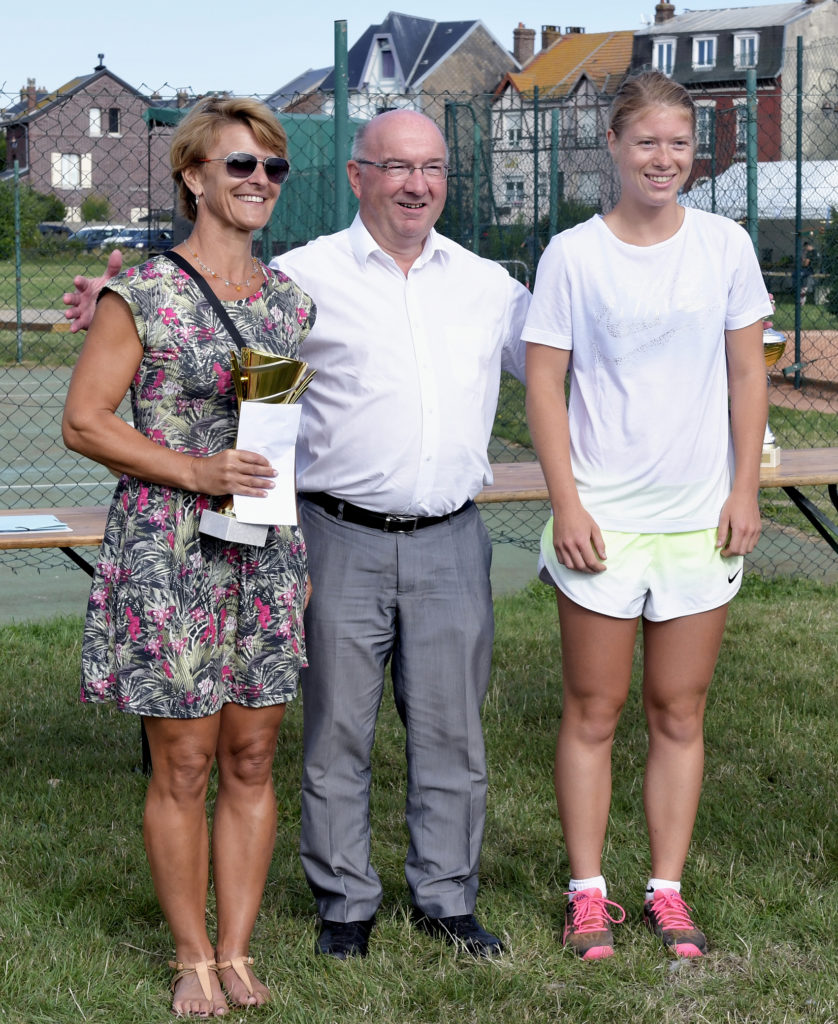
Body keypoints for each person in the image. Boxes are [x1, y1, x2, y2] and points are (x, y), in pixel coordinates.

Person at [64, 108, 530, 962]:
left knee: (441, 735)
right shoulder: (308, 275)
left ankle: (446, 903)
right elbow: (180, 326)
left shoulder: (482, 284)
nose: (415, 183)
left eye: (431, 167)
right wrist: (113, 296)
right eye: (395, 166)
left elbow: (562, 355)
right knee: (330, 738)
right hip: (313, 533)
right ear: (358, 176)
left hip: (425, 539)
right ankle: (341, 909)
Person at [62, 96, 314, 1016]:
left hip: (262, 551)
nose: (258, 182)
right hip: (170, 556)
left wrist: (294, 549)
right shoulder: (146, 293)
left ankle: (239, 952)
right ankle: (190, 955)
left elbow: (281, 440)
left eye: (272, 169)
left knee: (252, 757)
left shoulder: (289, 302)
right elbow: (84, 421)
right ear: (194, 178)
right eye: (240, 165)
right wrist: (194, 469)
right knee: (184, 766)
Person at [523, 71, 770, 961]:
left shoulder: (725, 246)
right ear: (614, 150)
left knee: (680, 709)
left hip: (699, 521)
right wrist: (567, 503)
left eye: (677, 143)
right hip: (602, 520)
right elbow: (545, 386)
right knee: (595, 708)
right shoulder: (572, 256)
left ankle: (665, 890)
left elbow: (749, 375)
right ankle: (587, 894)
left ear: (692, 153)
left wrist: (743, 490)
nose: (662, 159)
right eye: (645, 143)